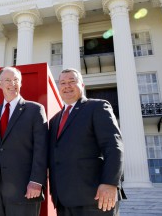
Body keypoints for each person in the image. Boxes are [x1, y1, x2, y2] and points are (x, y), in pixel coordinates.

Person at [0, 66, 48, 216]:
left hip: (25, 189)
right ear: (0, 84)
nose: (12, 83)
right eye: (8, 80)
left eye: (16, 80)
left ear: (21, 83)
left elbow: (42, 149)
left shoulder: (35, 110)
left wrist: (37, 181)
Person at [48, 68, 124, 216]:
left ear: (82, 85)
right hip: (63, 200)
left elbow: (113, 146)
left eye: (72, 81)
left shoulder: (97, 107)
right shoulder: (54, 120)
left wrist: (110, 182)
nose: (67, 86)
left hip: (95, 198)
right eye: (62, 83)